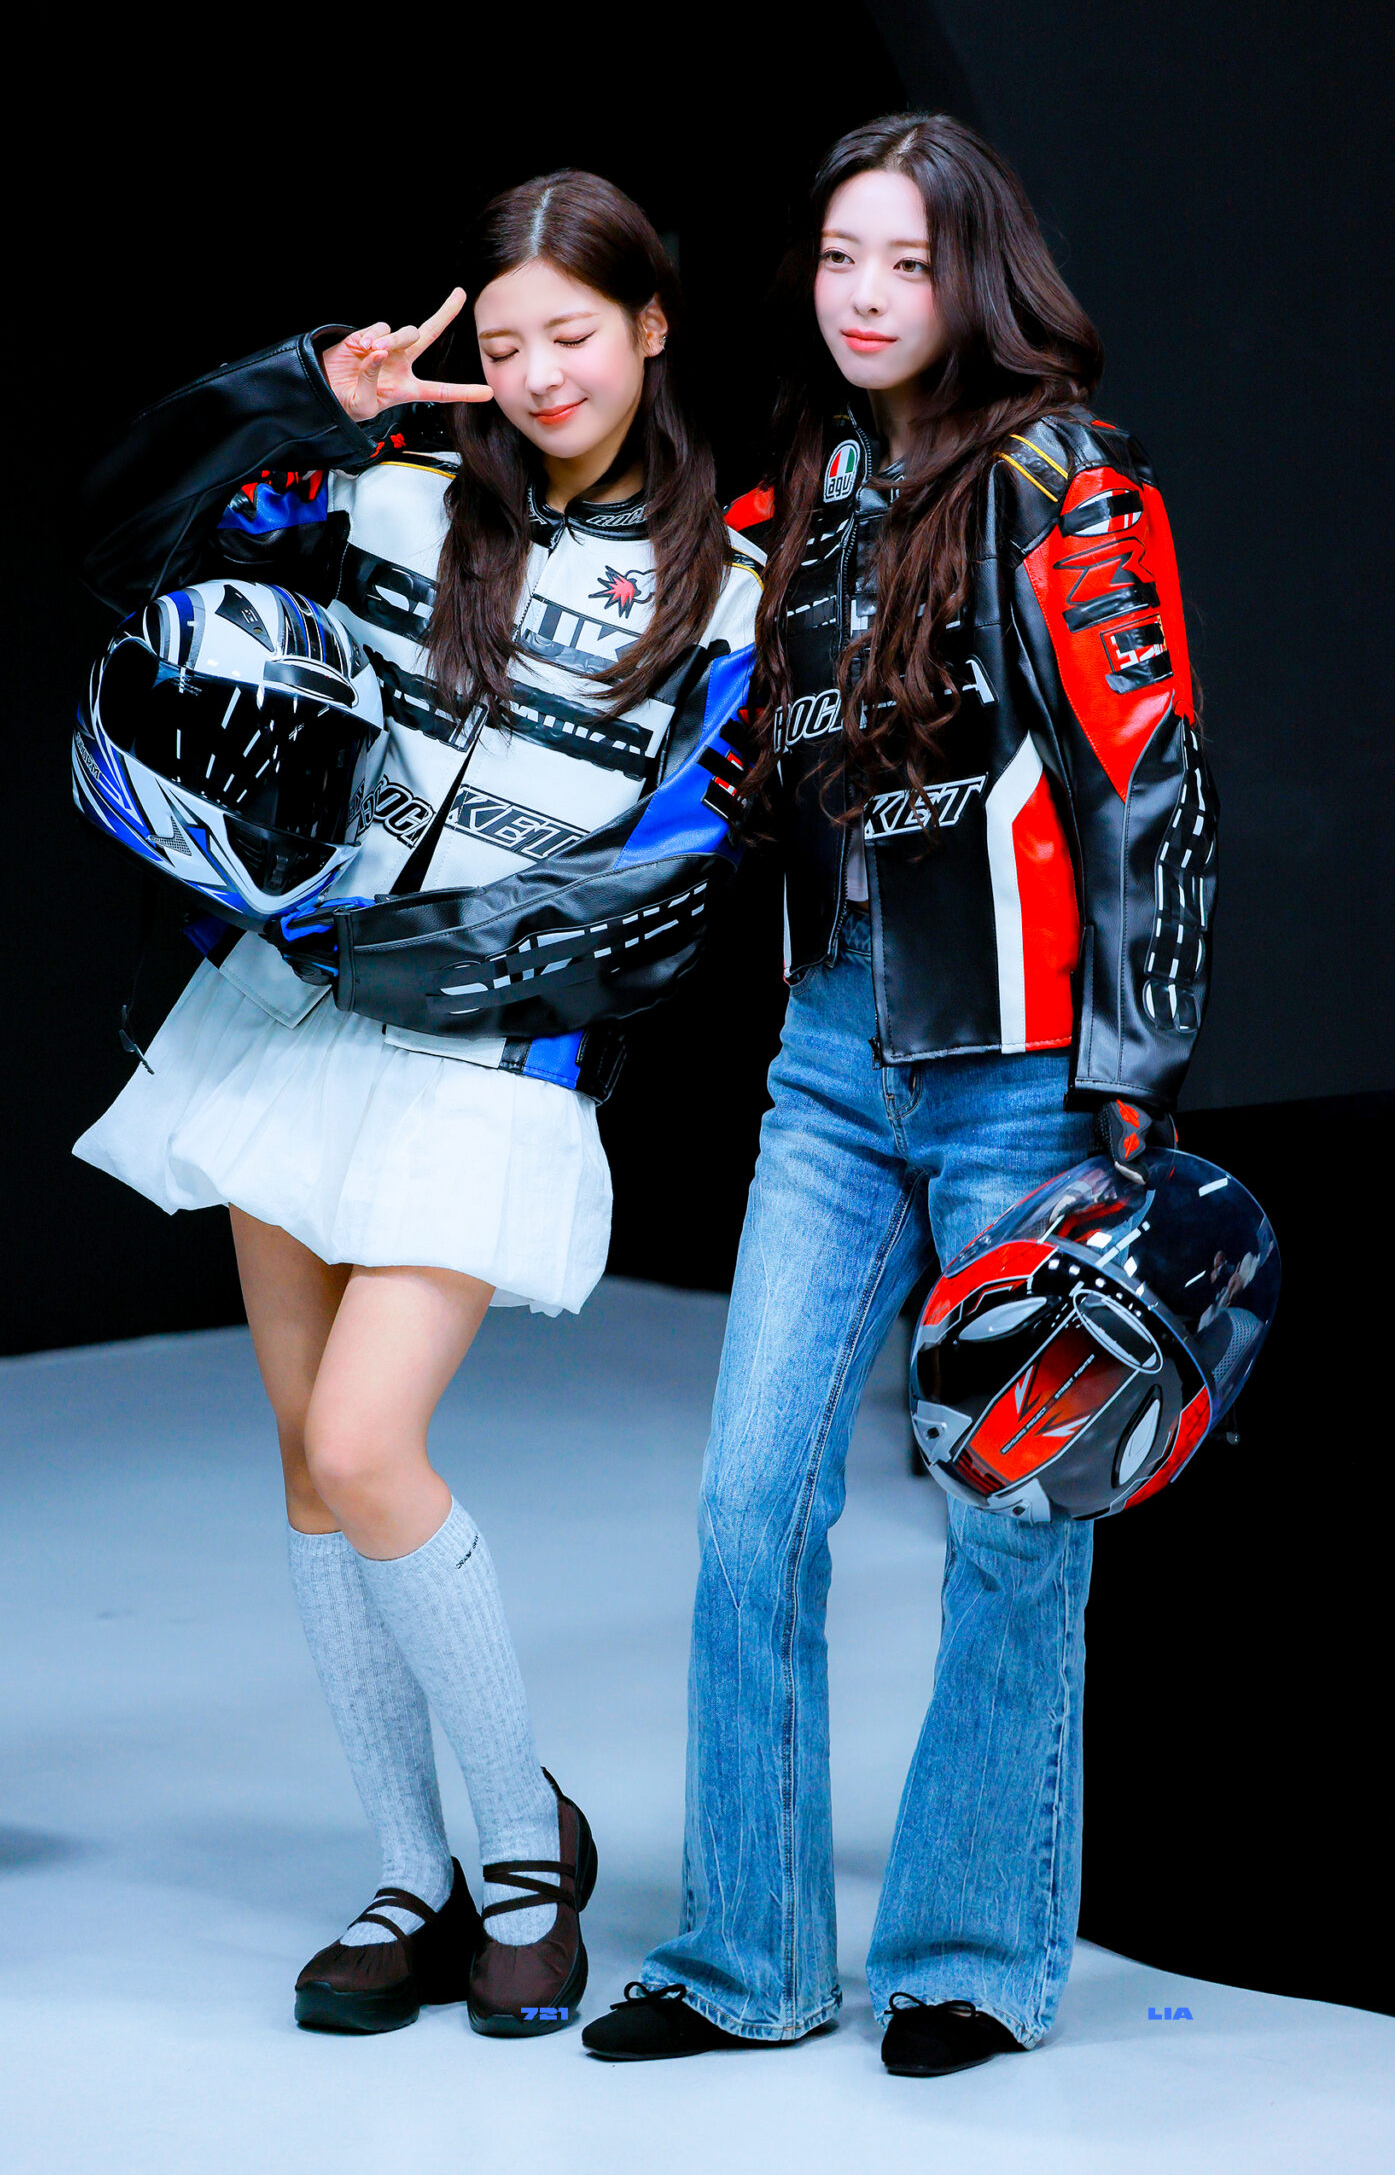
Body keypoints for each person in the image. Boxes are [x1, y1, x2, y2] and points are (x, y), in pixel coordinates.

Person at [73, 171, 763, 2037]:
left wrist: (416, 955)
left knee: (371, 1443)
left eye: (576, 333)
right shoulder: (384, 497)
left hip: (490, 1056)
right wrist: (302, 395)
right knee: (311, 1469)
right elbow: (120, 538)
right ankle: (405, 1867)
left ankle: (522, 1852)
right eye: (507, 339)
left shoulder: (731, 601)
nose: (541, 374)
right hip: (287, 1023)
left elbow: (669, 878)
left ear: (653, 327)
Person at [582, 113, 1216, 2073]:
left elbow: (1152, 784)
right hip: (830, 1062)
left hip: (1026, 1076)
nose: (863, 295)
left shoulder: (1068, 479)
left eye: (907, 262)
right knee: (746, 1502)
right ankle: (749, 1956)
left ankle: (968, 1954)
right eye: (839, 256)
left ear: (974, 275)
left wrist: (1131, 1087)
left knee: (1013, 1517)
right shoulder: (818, 490)